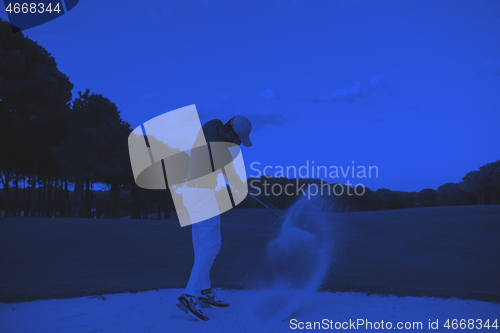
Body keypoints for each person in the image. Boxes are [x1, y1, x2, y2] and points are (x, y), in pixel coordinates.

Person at [176, 115, 252, 321]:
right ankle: (190, 295)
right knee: (211, 246)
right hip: (202, 196)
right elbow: (232, 177)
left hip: (190, 193)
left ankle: (204, 291)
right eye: (237, 140)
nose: (238, 145)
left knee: (202, 246)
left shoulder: (211, 125)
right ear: (229, 134)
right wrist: (240, 186)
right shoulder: (223, 153)